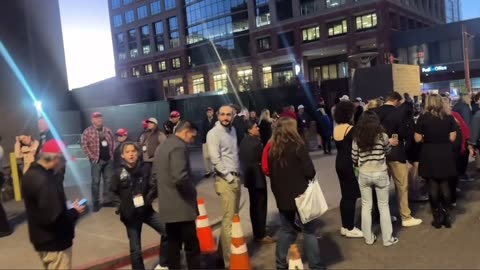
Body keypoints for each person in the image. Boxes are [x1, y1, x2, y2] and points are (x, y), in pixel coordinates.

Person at [268, 117, 324, 269]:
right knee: (309, 231)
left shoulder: (272, 149)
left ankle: (280, 263)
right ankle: (315, 265)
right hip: (301, 196)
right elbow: (309, 171)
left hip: (282, 197)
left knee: (286, 230)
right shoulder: (298, 146)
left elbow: (271, 174)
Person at [22, 140, 86, 269]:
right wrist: (74, 212)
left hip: (41, 239)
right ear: (56, 159)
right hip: (55, 243)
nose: (64, 165)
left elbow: (43, 207)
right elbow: (54, 217)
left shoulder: (30, 173)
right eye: (64, 161)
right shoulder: (47, 181)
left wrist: (65, 207)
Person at [111, 142, 168, 270]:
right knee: (136, 250)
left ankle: (163, 263)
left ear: (138, 153)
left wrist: (148, 199)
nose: (131, 154)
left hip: (146, 211)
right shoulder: (118, 172)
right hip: (131, 215)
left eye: (133, 151)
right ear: (122, 155)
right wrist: (120, 207)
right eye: (127, 152)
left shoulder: (145, 168)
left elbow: (153, 186)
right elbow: (113, 192)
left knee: (167, 230)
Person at [153, 121, 201, 269]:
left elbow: (155, 174)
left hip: (168, 206)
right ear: (186, 132)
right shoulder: (179, 147)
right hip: (182, 207)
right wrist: (192, 191)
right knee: (191, 246)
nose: (192, 141)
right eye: (192, 137)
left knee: (173, 246)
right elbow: (180, 177)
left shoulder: (163, 146)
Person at [374, 92, 422, 227]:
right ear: (395, 100)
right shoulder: (399, 113)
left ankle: (384, 215)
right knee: (402, 185)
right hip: (396, 152)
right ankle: (405, 216)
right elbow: (404, 133)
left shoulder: (374, 113)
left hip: (378, 153)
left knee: (382, 187)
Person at [352, 111, 399, 246]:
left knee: (366, 206)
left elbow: (354, 157)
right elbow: (388, 151)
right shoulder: (382, 136)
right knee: (383, 206)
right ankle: (387, 239)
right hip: (380, 173)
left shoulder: (357, 138)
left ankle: (368, 238)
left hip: (364, 174)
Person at [414, 94, 457, 228]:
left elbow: (417, 139)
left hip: (429, 153)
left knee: (432, 185)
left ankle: (437, 218)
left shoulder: (423, 118)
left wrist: (426, 138)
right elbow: (452, 138)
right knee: (445, 184)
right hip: (445, 153)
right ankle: (447, 216)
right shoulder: (449, 118)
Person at [206, 105, 241, 268]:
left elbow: (234, 154)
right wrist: (229, 178)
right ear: (218, 116)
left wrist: (238, 175)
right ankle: (230, 263)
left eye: (229, 114)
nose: (226, 117)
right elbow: (215, 159)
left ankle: (221, 256)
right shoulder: (213, 134)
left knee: (232, 218)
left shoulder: (232, 131)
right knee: (229, 221)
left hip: (235, 177)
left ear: (233, 116)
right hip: (225, 180)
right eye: (223, 115)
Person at [239, 120, 275, 244]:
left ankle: (257, 232)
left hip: (250, 179)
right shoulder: (255, 143)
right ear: (249, 130)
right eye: (255, 127)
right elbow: (263, 159)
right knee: (260, 206)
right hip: (257, 178)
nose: (258, 129)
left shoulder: (244, 141)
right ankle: (260, 234)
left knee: (254, 206)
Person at [332, 101, 362, 238]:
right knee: (351, 195)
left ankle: (345, 225)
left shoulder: (336, 128)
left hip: (339, 162)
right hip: (349, 163)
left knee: (345, 195)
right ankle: (350, 227)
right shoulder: (351, 129)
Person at [81, 112, 115, 212]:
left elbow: (112, 143)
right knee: (96, 182)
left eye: (100, 117)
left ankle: (107, 201)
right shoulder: (87, 131)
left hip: (108, 160)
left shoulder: (107, 130)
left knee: (108, 181)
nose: (99, 119)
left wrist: (111, 155)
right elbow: (84, 145)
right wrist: (92, 157)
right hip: (96, 161)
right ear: (92, 120)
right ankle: (96, 203)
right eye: (96, 118)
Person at [201, 107, 217, 177]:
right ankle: (208, 171)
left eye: (210, 112)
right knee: (206, 156)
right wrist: (203, 140)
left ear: (213, 112)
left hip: (214, 141)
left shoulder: (216, 121)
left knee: (214, 156)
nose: (209, 113)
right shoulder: (204, 121)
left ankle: (215, 171)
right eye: (207, 112)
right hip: (206, 140)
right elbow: (202, 131)